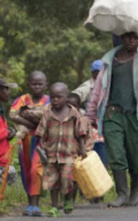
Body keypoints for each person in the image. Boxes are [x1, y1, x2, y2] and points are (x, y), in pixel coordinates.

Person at [86, 12, 138, 207]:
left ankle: (135, 189)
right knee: (116, 153)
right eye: (128, 36)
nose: (131, 40)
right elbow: (98, 90)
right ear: (122, 38)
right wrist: (90, 116)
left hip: (136, 115)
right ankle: (122, 194)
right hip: (113, 114)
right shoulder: (109, 61)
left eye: (135, 37)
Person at [35, 83, 87, 215]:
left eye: (59, 97)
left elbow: (80, 132)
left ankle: (68, 198)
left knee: (66, 179)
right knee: (52, 181)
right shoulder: (48, 113)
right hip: (51, 153)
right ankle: (54, 206)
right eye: (53, 97)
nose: (55, 100)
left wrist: (82, 148)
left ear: (66, 97)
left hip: (68, 154)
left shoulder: (74, 113)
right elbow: (41, 132)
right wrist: (41, 147)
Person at [10, 71, 50, 217]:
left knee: (36, 170)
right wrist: (34, 123)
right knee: (26, 171)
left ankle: (36, 204)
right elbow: (13, 115)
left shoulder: (49, 101)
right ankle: (30, 204)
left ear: (46, 85)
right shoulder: (22, 99)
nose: (37, 87)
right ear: (28, 85)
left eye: (40, 84)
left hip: (41, 141)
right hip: (24, 141)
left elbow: (48, 119)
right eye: (34, 84)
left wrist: (27, 117)